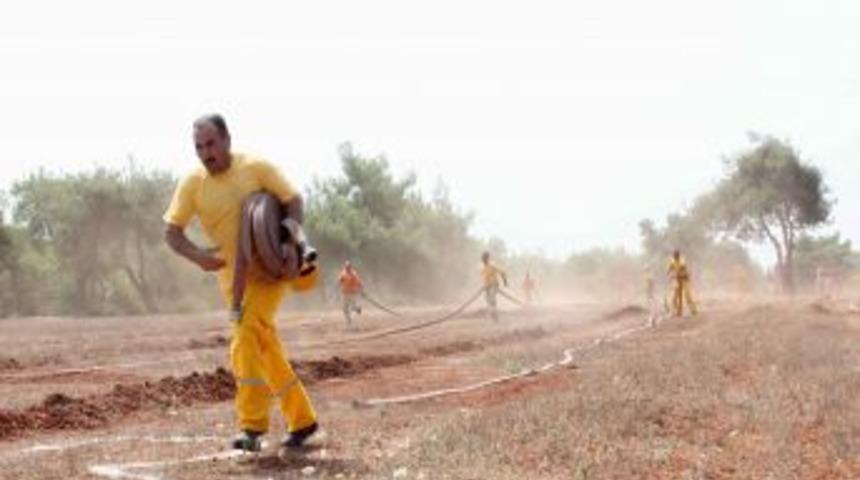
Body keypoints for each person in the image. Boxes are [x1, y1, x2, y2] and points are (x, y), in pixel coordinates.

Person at [163, 114, 318, 452]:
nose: (206, 153)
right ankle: (303, 421)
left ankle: (252, 426)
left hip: (271, 273)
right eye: (199, 147)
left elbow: (293, 201)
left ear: (227, 140)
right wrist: (199, 256)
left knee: (245, 333)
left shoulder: (256, 167)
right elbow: (172, 233)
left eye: (211, 144)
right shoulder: (192, 183)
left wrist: (287, 239)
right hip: (233, 282)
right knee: (264, 346)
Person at [666, 249, 697, 317]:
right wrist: (668, 272)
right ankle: (679, 311)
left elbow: (682, 270)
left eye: (676, 255)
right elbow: (670, 268)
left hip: (685, 279)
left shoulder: (682, 261)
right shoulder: (673, 261)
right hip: (678, 280)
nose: (675, 257)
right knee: (676, 296)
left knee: (687, 295)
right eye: (674, 255)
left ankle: (693, 310)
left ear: (678, 255)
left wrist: (674, 275)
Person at [481, 251, 508, 321]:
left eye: (485, 258)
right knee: (487, 300)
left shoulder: (492, 265)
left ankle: (494, 313)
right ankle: (494, 315)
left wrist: (505, 281)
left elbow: (502, 272)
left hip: (494, 285)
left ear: (488, 258)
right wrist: (484, 285)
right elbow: (484, 278)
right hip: (487, 286)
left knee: (492, 297)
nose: (483, 260)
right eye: (483, 258)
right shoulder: (482, 268)